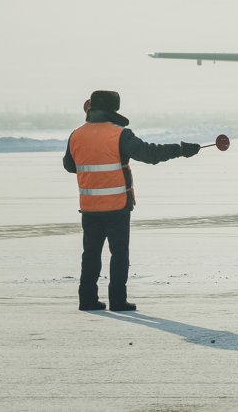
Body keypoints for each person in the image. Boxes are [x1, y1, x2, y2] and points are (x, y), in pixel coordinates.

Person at [63, 90, 201, 312]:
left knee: (90, 254)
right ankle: (118, 301)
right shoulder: (119, 135)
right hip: (117, 206)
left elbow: (70, 166)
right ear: (113, 109)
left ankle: (87, 300)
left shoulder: (76, 135)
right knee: (119, 253)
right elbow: (150, 154)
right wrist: (181, 150)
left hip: (89, 206)